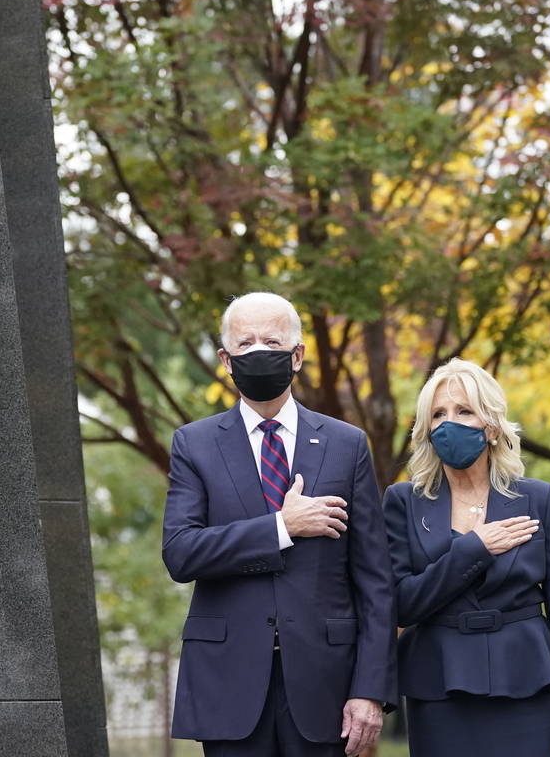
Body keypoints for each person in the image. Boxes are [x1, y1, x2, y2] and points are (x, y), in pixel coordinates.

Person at [163, 292, 396, 757]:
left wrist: (370, 690)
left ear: (298, 355)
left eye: (271, 339)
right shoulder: (194, 444)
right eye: (244, 343)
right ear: (226, 360)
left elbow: (375, 581)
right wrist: (281, 527)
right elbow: (181, 552)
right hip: (228, 681)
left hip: (325, 684)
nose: (258, 351)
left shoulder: (347, 444)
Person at [383, 358, 550, 757]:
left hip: (528, 686)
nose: (449, 423)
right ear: (426, 429)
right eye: (438, 414)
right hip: (438, 688)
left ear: (492, 427)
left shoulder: (541, 499)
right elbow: (400, 606)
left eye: (464, 411)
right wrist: (473, 549)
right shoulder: (403, 501)